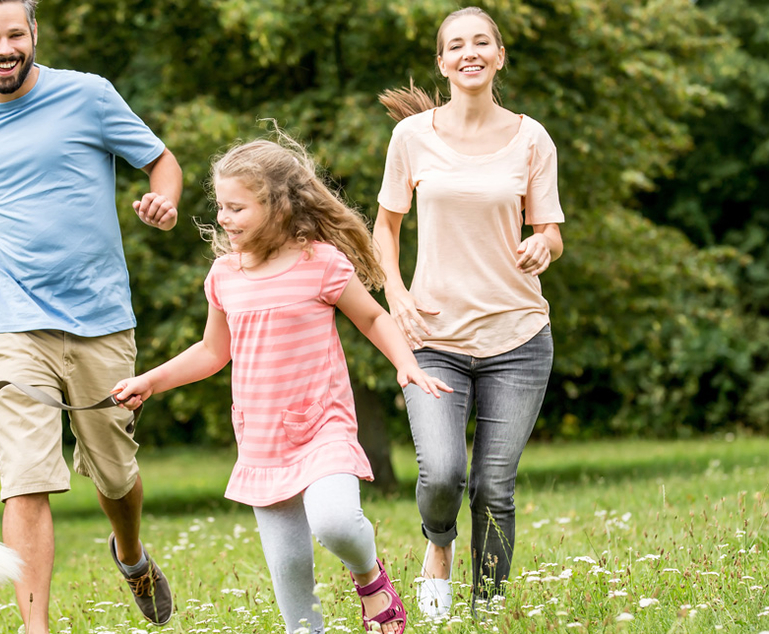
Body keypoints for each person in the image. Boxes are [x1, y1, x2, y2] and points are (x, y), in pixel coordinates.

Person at [110, 135, 452, 634]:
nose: (224, 218)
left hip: (322, 426)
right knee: (292, 581)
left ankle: (370, 577)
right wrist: (150, 381)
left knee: (335, 521)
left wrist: (406, 363)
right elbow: (212, 351)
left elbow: (374, 319)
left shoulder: (321, 263)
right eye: (220, 207)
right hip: (262, 440)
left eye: (236, 207)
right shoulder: (225, 274)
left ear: (276, 205)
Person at [0, 0, 182, 630]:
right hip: (12, 323)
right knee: (25, 480)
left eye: (14, 33)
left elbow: (160, 161)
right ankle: (35, 627)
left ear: (34, 33)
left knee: (116, 474)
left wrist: (165, 201)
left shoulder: (88, 96)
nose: (3, 48)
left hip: (100, 316)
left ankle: (130, 551)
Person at [373, 6, 566, 617]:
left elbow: (552, 232)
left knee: (494, 487)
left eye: (482, 42)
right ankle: (438, 545)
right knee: (442, 476)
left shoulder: (532, 137)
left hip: (518, 337)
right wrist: (396, 295)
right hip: (433, 338)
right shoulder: (411, 138)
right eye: (456, 45)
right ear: (442, 62)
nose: (470, 52)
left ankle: (487, 613)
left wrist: (543, 243)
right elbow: (385, 226)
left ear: (500, 56)